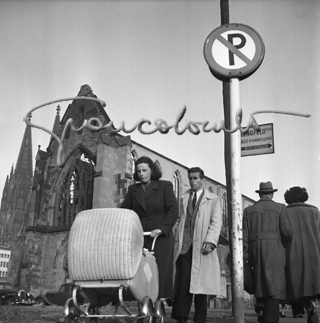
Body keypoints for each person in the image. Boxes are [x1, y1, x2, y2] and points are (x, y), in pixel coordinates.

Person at [120, 156, 178, 299]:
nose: (141, 173)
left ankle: (159, 299)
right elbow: (125, 210)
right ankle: (143, 298)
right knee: (143, 271)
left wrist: (162, 228)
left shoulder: (165, 186)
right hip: (141, 235)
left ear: (152, 170)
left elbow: (173, 210)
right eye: (139, 171)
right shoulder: (134, 189)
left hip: (160, 237)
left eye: (144, 170)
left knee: (159, 271)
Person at [171, 167, 222, 323]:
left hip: (203, 246)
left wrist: (210, 241)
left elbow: (216, 222)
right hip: (185, 247)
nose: (192, 181)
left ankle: (200, 318)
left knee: (202, 284)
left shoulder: (212, 199)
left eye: (195, 178)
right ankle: (181, 317)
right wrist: (176, 231)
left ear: (202, 180)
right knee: (184, 281)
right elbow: (180, 219)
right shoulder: (184, 198)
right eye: (190, 178)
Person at [243, 181, 293, 323]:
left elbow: (244, 235)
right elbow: (287, 232)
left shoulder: (249, 210)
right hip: (274, 248)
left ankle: (260, 307)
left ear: (260, 194)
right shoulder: (280, 208)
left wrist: (245, 254)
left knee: (259, 279)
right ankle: (271, 317)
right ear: (271, 194)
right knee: (274, 284)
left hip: (255, 248)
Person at [284, 186, 320, 323]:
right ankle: (311, 305)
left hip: (292, 252)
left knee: (295, 284)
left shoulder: (285, 212)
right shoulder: (315, 211)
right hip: (314, 252)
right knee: (311, 282)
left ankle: (305, 306)